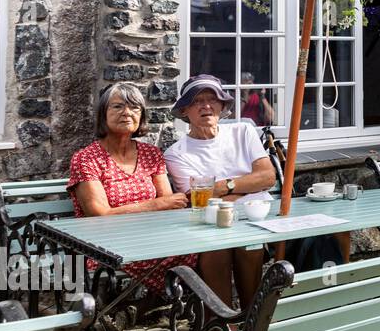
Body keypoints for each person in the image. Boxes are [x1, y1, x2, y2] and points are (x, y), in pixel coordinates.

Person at [67, 83, 194, 296]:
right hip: (105, 244)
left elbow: (171, 204)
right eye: (117, 107)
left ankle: (203, 315)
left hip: (150, 237)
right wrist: (155, 205)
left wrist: (163, 205)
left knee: (203, 248)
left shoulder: (151, 154)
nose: (127, 113)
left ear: (141, 116)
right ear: (103, 114)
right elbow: (100, 215)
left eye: (134, 108)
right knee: (186, 255)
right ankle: (162, 307)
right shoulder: (86, 158)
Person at [165, 74, 277, 307]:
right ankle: (222, 321)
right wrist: (249, 185)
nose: (206, 105)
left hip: (254, 219)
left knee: (250, 245)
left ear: (223, 105)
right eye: (197, 101)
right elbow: (197, 200)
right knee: (214, 251)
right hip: (211, 224)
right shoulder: (177, 153)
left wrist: (223, 187)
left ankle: (251, 316)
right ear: (185, 110)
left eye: (213, 99)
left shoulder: (243, 132)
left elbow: (268, 177)